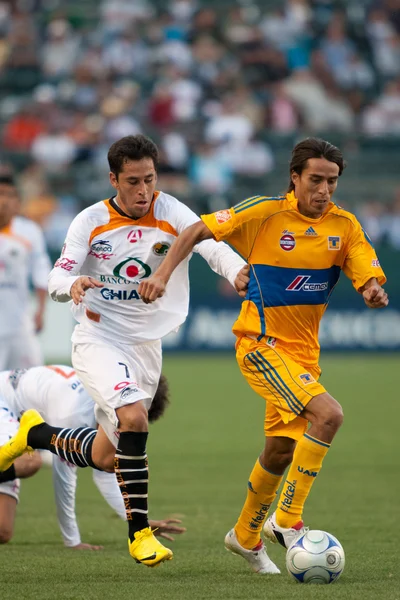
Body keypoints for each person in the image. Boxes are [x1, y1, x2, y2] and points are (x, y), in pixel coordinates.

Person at [137, 137, 388, 574]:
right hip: (260, 345)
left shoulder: (345, 225)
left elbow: (364, 268)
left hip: (304, 355)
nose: (324, 190)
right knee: (328, 415)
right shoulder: (265, 212)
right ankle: (288, 521)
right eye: (315, 180)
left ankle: (246, 536)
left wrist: (370, 289)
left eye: (331, 181)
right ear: (295, 177)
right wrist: (162, 272)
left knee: (278, 453)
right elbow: (196, 230)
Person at [0, 135, 248, 566]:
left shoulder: (171, 211)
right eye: (132, 181)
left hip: (147, 347)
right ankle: (140, 535)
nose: (143, 191)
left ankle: (33, 434)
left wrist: (237, 271)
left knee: (104, 455)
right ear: (113, 178)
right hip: (97, 338)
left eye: (149, 180)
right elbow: (59, 274)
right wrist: (70, 286)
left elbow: (210, 244)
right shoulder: (90, 221)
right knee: (133, 414)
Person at [0, 366, 185, 547]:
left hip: (16, 416)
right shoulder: (74, 413)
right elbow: (63, 476)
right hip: (5, 402)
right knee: (30, 461)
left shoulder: (113, 407)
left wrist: (138, 521)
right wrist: (72, 541)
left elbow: (106, 472)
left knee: (3, 531)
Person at [0, 174, 51, 370]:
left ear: (18, 202)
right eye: (0, 194)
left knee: (31, 379)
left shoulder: (29, 232)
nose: (4, 201)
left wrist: (40, 310)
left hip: (19, 322)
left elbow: (40, 271)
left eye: (9, 195)